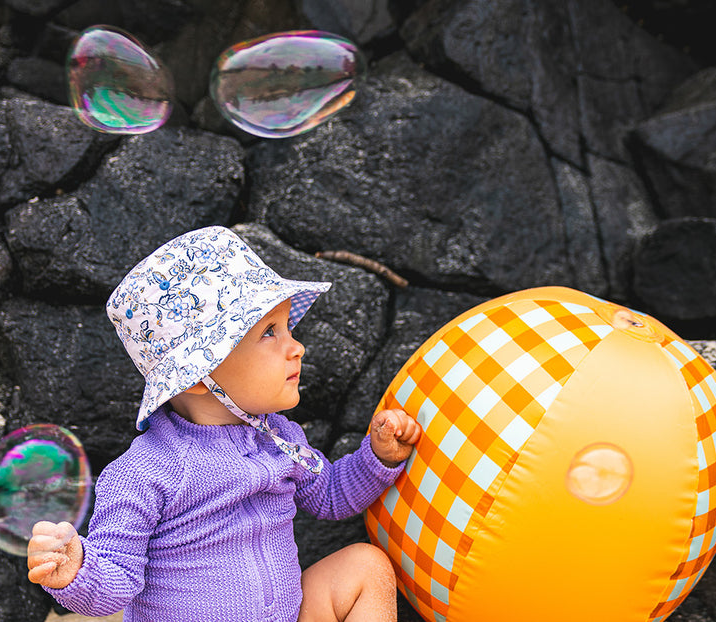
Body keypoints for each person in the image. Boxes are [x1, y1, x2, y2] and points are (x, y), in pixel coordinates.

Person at [25, 226, 421, 622]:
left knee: (366, 566)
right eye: (269, 332)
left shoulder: (280, 438)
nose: (296, 346)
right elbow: (114, 583)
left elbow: (331, 495)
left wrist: (378, 458)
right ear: (198, 376)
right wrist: (75, 571)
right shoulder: (143, 473)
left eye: (287, 328)